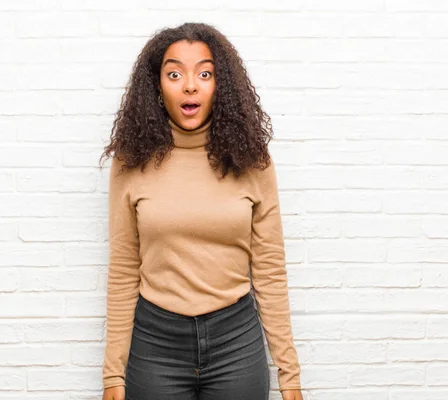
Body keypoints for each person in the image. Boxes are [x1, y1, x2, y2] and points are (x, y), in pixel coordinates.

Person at [99, 22, 303, 400]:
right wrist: (113, 374)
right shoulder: (132, 162)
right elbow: (124, 268)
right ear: (157, 87)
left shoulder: (252, 161)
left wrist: (289, 375)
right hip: (155, 344)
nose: (190, 85)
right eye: (174, 73)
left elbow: (270, 270)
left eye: (204, 73)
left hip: (236, 342)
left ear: (220, 86)